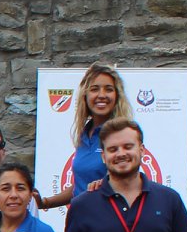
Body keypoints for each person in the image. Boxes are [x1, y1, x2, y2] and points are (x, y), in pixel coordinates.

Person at [38, 62, 124, 210]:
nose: (101, 95)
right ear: (85, 95)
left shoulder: (121, 134)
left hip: (109, 221)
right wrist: (45, 202)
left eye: (108, 89)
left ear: (117, 96)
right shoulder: (85, 133)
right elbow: (80, 185)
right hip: (80, 220)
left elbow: (128, 183)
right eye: (95, 89)